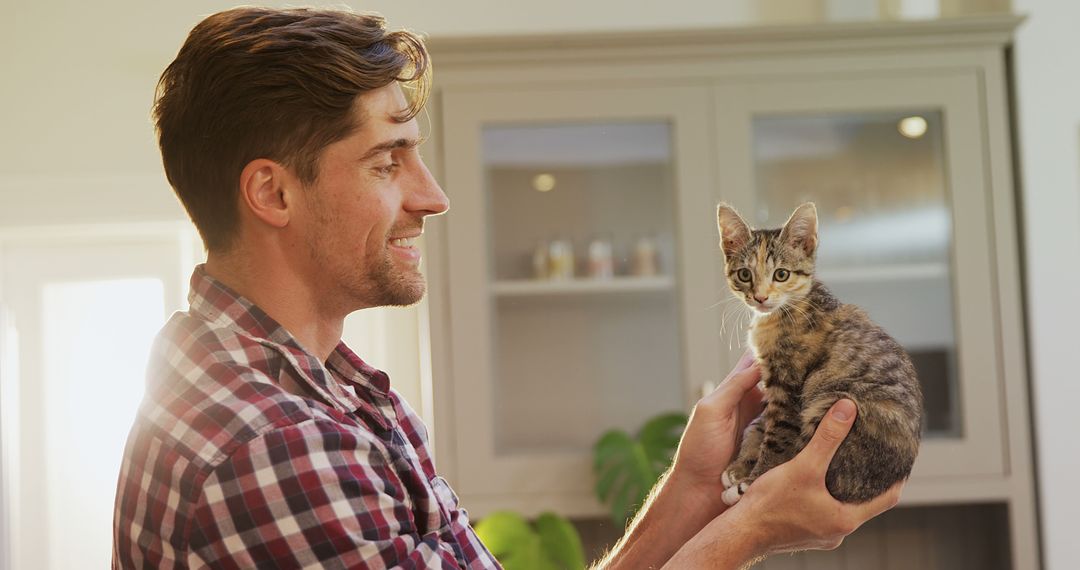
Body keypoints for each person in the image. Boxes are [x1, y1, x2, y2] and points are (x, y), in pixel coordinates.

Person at [112, 7, 902, 569]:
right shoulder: (272, 445)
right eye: (388, 162)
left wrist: (694, 492)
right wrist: (749, 530)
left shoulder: (332, 393)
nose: (433, 196)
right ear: (273, 194)